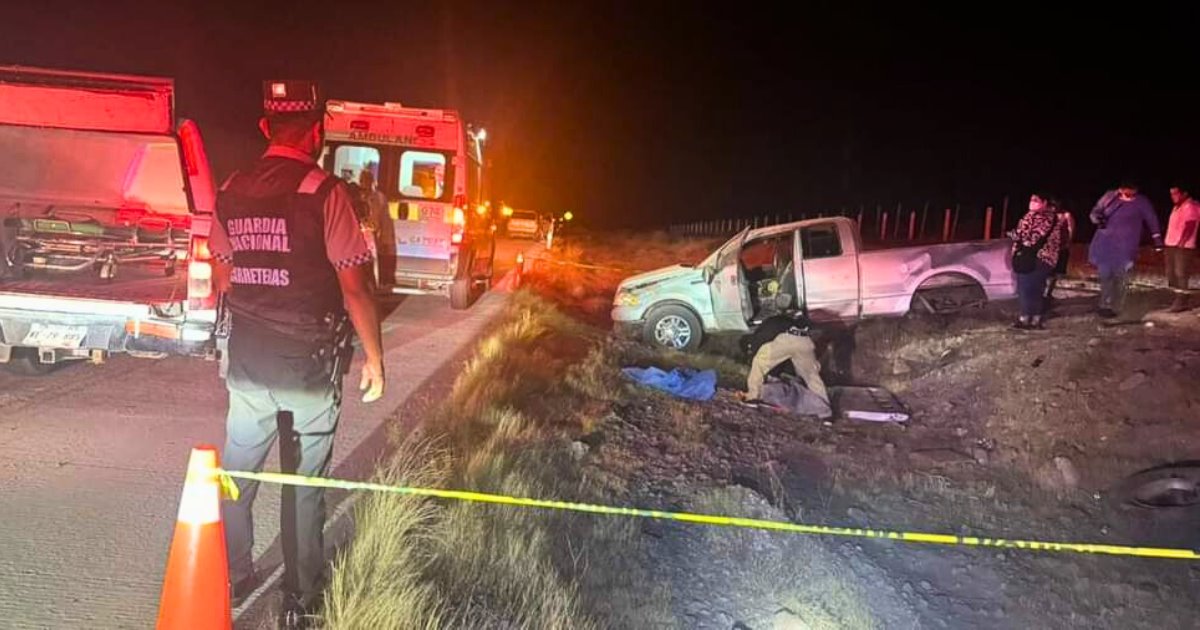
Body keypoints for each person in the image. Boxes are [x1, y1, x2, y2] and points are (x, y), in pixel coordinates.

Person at [208, 80, 385, 629]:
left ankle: (232, 573)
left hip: (249, 358)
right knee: (305, 482)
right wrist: (375, 359)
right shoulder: (323, 191)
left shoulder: (232, 188)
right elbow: (355, 286)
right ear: (316, 133)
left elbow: (222, 270)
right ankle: (299, 596)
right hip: (308, 365)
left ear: (265, 129)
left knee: (237, 470)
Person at [1088, 181, 1163, 318]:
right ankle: (1105, 304)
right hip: (1105, 244)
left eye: (1130, 190)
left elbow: (1152, 220)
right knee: (1105, 276)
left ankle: (1116, 307)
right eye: (1123, 190)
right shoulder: (1110, 197)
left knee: (1121, 277)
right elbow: (1094, 212)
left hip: (1126, 246)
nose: (1125, 193)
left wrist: (1157, 240)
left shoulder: (1141, 202)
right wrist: (1098, 219)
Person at [741, 313, 829, 414]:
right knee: (812, 377)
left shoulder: (761, 333)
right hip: (806, 341)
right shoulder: (782, 320)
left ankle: (753, 397)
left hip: (788, 338)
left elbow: (764, 354)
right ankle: (825, 411)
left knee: (759, 362)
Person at [1009, 193, 1064, 329]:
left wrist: (1017, 237)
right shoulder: (1029, 216)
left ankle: (1035, 318)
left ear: (1044, 202)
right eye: (1031, 200)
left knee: (1034, 287)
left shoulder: (1048, 218)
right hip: (1025, 257)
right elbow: (1020, 233)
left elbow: (1032, 237)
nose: (1032, 202)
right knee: (1024, 287)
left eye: (1036, 200)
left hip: (1041, 257)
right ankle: (1025, 317)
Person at [1164, 184, 1200, 312]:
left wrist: (1182, 242)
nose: (1173, 197)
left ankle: (1181, 301)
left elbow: (1190, 225)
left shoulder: (1190, 206)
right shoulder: (1177, 207)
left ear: (1184, 194)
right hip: (1171, 245)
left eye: (1175, 194)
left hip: (1183, 247)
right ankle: (1180, 297)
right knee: (1171, 273)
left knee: (1181, 274)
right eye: (1171, 194)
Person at [1043, 200, 1076, 313]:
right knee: (1047, 272)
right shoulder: (1047, 216)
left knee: (1056, 273)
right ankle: (1043, 294)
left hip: (1061, 248)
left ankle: (1048, 294)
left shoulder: (1066, 215)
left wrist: (1068, 243)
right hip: (1050, 249)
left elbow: (1071, 230)